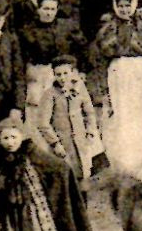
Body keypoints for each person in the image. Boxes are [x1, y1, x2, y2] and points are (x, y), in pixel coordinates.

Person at [91, 0, 142, 174]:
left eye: (128, 5)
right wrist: (101, 88)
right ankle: (127, 162)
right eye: (121, 6)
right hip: (119, 74)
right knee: (124, 115)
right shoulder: (107, 29)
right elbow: (99, 60)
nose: (124, 10)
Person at [30, 55, 104, 184]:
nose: (62, 78)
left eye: (66, 73)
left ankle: (84, 200)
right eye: (58, 74)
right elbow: (43, 124)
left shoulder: (80, 90)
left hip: (81, 142)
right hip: (63, 145)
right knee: (65, 177)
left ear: (73, 72)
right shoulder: (49, 94)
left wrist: (90, 131)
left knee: (84, 175)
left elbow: (89, 112)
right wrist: (55, 143)